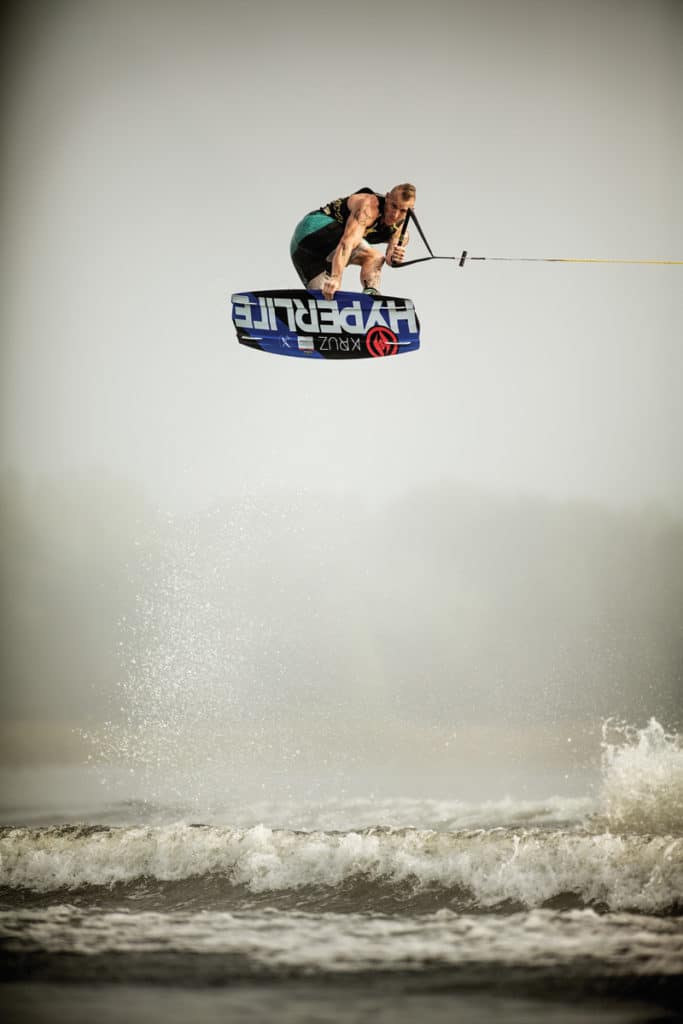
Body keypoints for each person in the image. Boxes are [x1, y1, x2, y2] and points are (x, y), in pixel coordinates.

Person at [290, 184, 416, 300]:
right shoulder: (369, 206)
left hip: (302, 252)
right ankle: (372, 297)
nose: (395, 215)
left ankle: (365, 302)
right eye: (393, 206)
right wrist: (336, 277)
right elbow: (347, 243)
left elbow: (390, 259)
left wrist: (395, 257)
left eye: (403, 211)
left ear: (411, 210)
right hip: (313, 228)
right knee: (374, 257)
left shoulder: (402, 232)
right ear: (387, 198)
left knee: (326, 298)